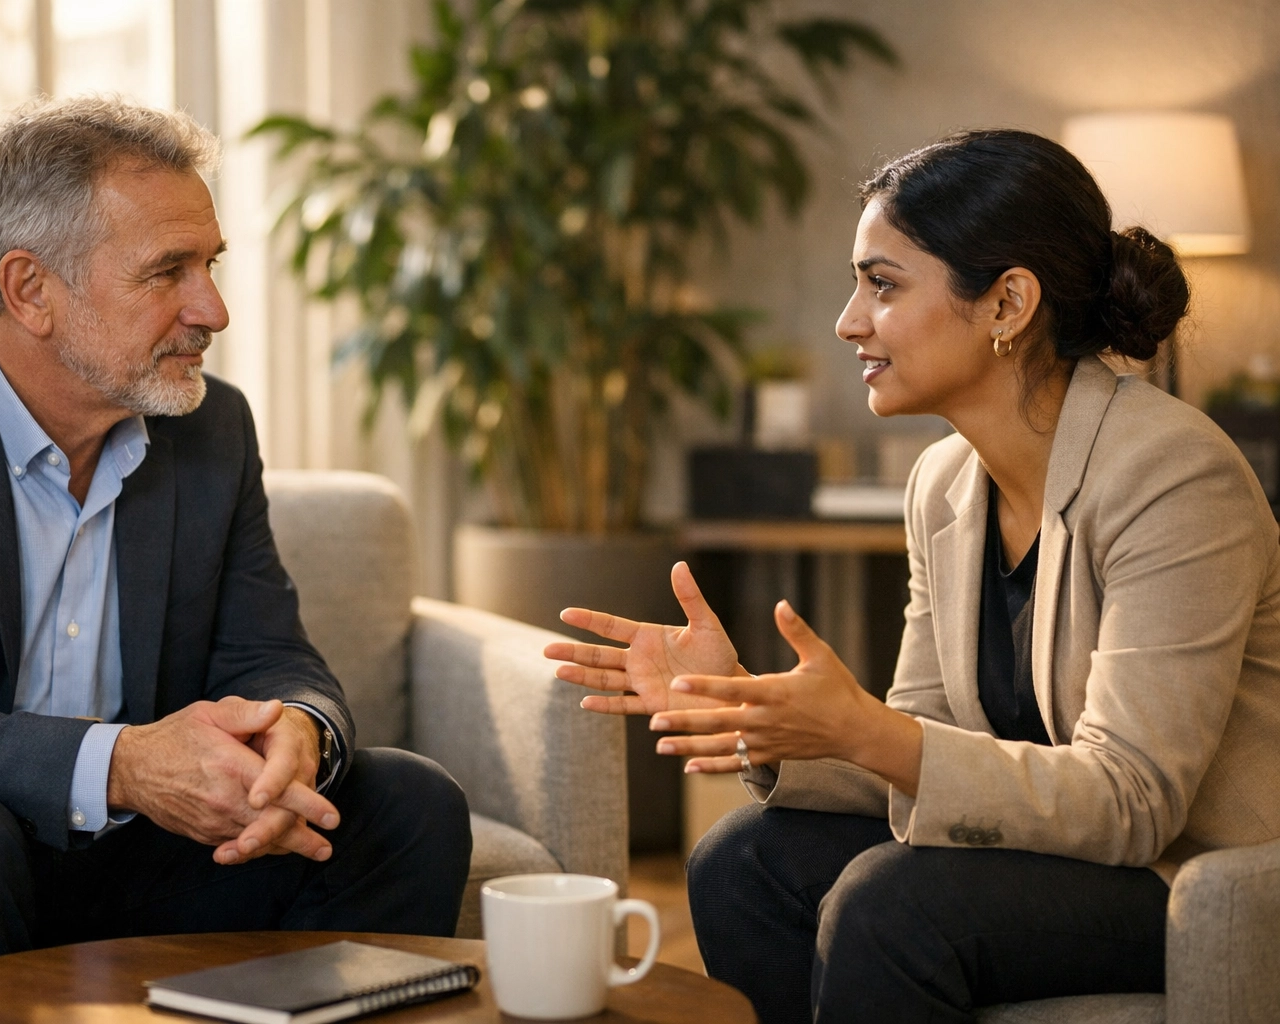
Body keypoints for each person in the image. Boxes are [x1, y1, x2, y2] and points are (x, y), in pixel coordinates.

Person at [546, 129, 1280, 1022]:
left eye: (882, 284)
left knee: (892, 906)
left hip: (1201, 877)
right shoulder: (943, 483)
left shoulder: (1173, 474)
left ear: (1008, 302)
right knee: (743, 862)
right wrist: (750, 703)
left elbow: (1132, 802)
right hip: (1059, 851)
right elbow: (926, 738)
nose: (848, 321)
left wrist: (864, 730)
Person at [0, 97, 471, 995]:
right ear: (30, 290)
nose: (214, 309)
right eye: (168, 271)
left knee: (406, 801)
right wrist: (124, 766)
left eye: (210, 264)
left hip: (121, 850)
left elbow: (270, 653)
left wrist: (299, 730)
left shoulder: (211, 427)